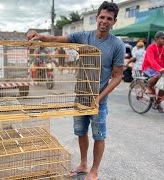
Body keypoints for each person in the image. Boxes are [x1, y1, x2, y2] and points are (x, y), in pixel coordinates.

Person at [27, 1, 125, 180]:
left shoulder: (117, 45)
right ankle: (83, 164)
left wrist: (99, 97)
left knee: (98, 136)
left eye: (109, 19)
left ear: (114, 22)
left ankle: (94, 170)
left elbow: (118, 76)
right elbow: (57, 40)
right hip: (80, 97)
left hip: (99, 100)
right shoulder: (83, 36)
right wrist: (38, 35)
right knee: (80, 132)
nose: (104, 21)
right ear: (96, 18)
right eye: (102, 17)